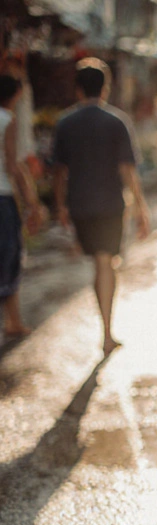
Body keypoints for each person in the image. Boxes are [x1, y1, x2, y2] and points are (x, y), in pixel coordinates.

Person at [53, 58, 150, 356]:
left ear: (78, 89)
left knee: (100, 262)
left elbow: (59, 172)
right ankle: (106, 332)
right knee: (106, 262)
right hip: (110, 204)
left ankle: (105, 329)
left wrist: (60, 207)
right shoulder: (117, 121)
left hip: (80, 204)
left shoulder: (65, 122)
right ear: (106, 87)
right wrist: (141, 209)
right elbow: (127, 170)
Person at [0, 74, 43, 340]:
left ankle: (14, 321)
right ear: (16, 94)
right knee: (9, 257)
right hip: (2, 197)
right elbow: (13, 165)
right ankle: (13, 321)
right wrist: (32, 202)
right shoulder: (8, 119)